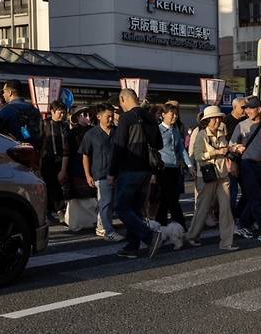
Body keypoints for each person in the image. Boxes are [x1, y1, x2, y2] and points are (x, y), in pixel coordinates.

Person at [108, 89, 163, 259]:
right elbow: (159, 144)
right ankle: (132, 246)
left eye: (120, 102)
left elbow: (119, 147)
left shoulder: (126, 118)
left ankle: (149, 236)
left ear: (124, 99)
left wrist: (111, 172)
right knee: (135, 209)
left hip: (129, 169)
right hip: (146, 170)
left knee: (122, 208)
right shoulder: (150, 117)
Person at [186, 105, 238, 251]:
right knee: (203, 207)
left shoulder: (222, 133)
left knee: (226, 209)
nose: (216, 120)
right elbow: (198, 156)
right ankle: (192, 235)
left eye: (218, 118)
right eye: (213, 118)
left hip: (222, 175)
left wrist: (231, 149)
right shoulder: (201, 134)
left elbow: (225, 149)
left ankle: (227, 242)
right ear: (207, 121)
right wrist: (215, 152)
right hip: (207, 176)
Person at [230, 96, 261, 242]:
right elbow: (231, 146)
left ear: (259, 109)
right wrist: (236, 152)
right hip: (246, 164)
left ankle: (241, 222)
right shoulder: (241, 125)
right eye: (245, 108)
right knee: (255, 197)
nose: (247, 111)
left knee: (254, 197)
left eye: (250, 108)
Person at [79, 104, 124, 242]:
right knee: (106, 202)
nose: (111, 119)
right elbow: (85, 155)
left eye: (112, 116)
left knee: (113, 203)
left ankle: (102, 225)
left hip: (118, 173)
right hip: (101, 173)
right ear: (99, 117)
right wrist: (87, 175)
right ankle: (108, 231)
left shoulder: (118, 132)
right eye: (107, 116)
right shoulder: (91, 134)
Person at [156, 103, 189, 230]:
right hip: (163, 169)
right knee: (172, 199)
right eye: (172, 114)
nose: (175, 116)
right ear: (163, 115)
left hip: (175, 168)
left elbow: (181, 149)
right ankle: (182, 226)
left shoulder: (175, 130)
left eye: (176, 114)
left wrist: (189, 165)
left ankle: (160, 227)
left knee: (166, 200)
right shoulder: (158, 130)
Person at [64, 106, 97, 232]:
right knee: (77, 197)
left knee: (92, 195)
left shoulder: (94, 130)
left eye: (89, 114)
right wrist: (64, 169)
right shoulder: (72, 133)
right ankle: (76, 222)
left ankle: (91, 221)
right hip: (76, 165)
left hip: (92, 165)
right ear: (78, 117)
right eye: (85, 114)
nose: (88, 117)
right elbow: (66, 152)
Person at [40, 100, 69, 224]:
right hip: (47, 160)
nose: (62, 115)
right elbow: (40, 144)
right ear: (52, 111)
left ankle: (60, 210)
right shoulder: (44, 124)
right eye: (59, 112)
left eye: (63, 113)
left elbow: (67, 148)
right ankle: (49, 212)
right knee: (48, 186)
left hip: (61, 160)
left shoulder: (65, 126)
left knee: (58, 185)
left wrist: (63, 169)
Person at [0, 80, 43, 149]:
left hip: (14, 150)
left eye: (4, 92)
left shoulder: (6, 110)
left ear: (10, 93)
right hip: (34, 149)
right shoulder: (34, 109)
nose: (3, 94)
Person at [224, 96, 248, 215]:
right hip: (230, 160)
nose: (245, 110)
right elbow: (223, 143)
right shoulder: (226, 121)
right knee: (232, 192)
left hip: (245, 160)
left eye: (247, 107)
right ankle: (230, 217)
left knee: (248, 191)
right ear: (234, 107)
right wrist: (230, 160)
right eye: (243, 107)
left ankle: (240, 214)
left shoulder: (247, 121)